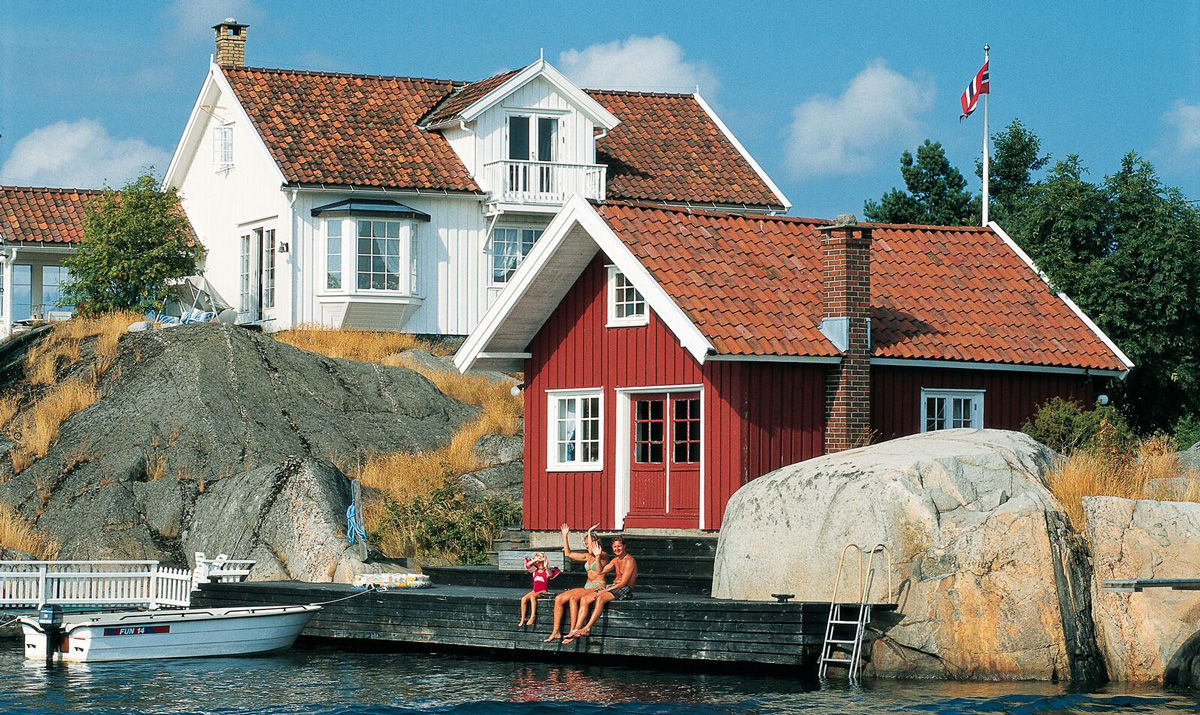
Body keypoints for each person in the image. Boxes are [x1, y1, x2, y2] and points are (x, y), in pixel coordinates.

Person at [562, 536, 637, 643]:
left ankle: (587, 628)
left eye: (619, 546)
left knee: (600, 597)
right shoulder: (615, 560)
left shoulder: (630, 560)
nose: (617, 549)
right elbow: (599, 572)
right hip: (614, 586)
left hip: (625, 589)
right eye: (615, 547)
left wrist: (604, 590)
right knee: (585, 599)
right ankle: (576, 630)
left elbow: (623, 583)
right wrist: (597, 556)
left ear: (624, 546)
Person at [544, 523, 608, 642]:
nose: (587, 546)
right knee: (559, 598)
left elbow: (593, 551)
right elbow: (568, 554)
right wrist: (565, 536)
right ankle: (556, 632)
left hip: (598, 586)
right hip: (587, 586)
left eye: (588, 543)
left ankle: (573, 631)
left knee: (573, 598)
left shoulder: (603, 555)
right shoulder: (587, 556)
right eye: (585, 544)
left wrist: (589, 532)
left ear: (596, 543)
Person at [518, 553, 560, 628]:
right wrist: (536, 559)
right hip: (534, 591)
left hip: (543, 591)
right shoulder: (535, 570)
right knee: (523, 599)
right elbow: (528, 565)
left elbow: (550, 575)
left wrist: (546, 566)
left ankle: (533, 615)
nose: (541, 564)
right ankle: (523, 618)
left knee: (532, 597)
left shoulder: (546, 571)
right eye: (539, 563)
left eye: (542, 562)